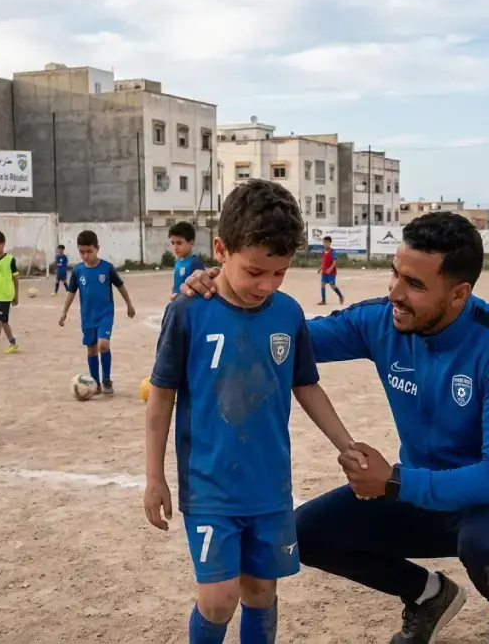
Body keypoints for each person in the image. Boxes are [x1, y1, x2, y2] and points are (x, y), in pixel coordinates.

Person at [181, 212, 489, 644]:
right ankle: (429, 595)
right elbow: (282, 338)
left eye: (415, 285)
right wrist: (222, 289)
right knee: (307, 532)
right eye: (395, 274)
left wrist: (395, 481)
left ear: (459, 294)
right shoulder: (382, 321)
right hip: (424, 493)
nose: (396, 293)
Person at [144, 178, 362, 644]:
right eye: (254, 271)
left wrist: (345, 445)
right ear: (221, 250)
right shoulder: (188, 311)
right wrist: (154, 476)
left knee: (261, 591)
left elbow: (308, 386)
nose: (266, 285)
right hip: (210, 485)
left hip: (269, 485)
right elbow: (161, 396)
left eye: (280, 273)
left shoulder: (287, 314)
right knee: (219, 599)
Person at [58, 230, 137, 395]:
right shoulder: (78, 271)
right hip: (87, 316)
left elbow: (120, 286)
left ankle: (106, 379)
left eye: (89, 251)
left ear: (97, 248)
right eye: (82, 252)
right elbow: (71, 292)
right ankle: (95, 383)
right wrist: (64, 312)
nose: (85, 255)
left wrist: (129, 304)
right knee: (91, 349)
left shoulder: (107, 268)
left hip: (105, 314)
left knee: (103, 345)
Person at [168, 221, 205, 301]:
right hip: (178, 303)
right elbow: (176, 285)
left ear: (191, 243)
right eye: (172, 243)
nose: (175, 247)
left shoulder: (194, 262)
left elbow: (201, 287)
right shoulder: (178, 262)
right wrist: (173, 294)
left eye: (179, 243)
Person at [317, 235, 344, 306]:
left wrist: (330, 268)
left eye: (326, 242)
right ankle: (323, 301)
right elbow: (323, 261)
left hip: (331, 273)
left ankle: (341, 296)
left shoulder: (333, 252)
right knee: (322, 285)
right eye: (324, 242)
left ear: (329, 243)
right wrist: (320, 268)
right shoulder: (323, 251)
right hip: (324, 272)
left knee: (332, 286)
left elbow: (334, 263)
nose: (324, 244)